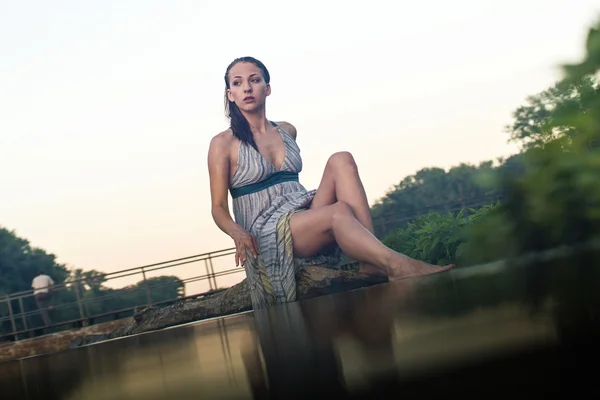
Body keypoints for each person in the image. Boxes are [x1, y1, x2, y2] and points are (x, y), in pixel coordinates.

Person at [207, 56, 454, 309]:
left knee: (341, 159)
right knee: (339, 211)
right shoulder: (223, 143)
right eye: (238, 83)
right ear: (230, 94)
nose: (247, 88)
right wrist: (236, 232)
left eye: (254, 80)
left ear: (267, 88)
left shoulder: (286, 130)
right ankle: (396, 264)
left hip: (299, 210)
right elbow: (217, 207)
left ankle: (370, 263)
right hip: (267, 230)